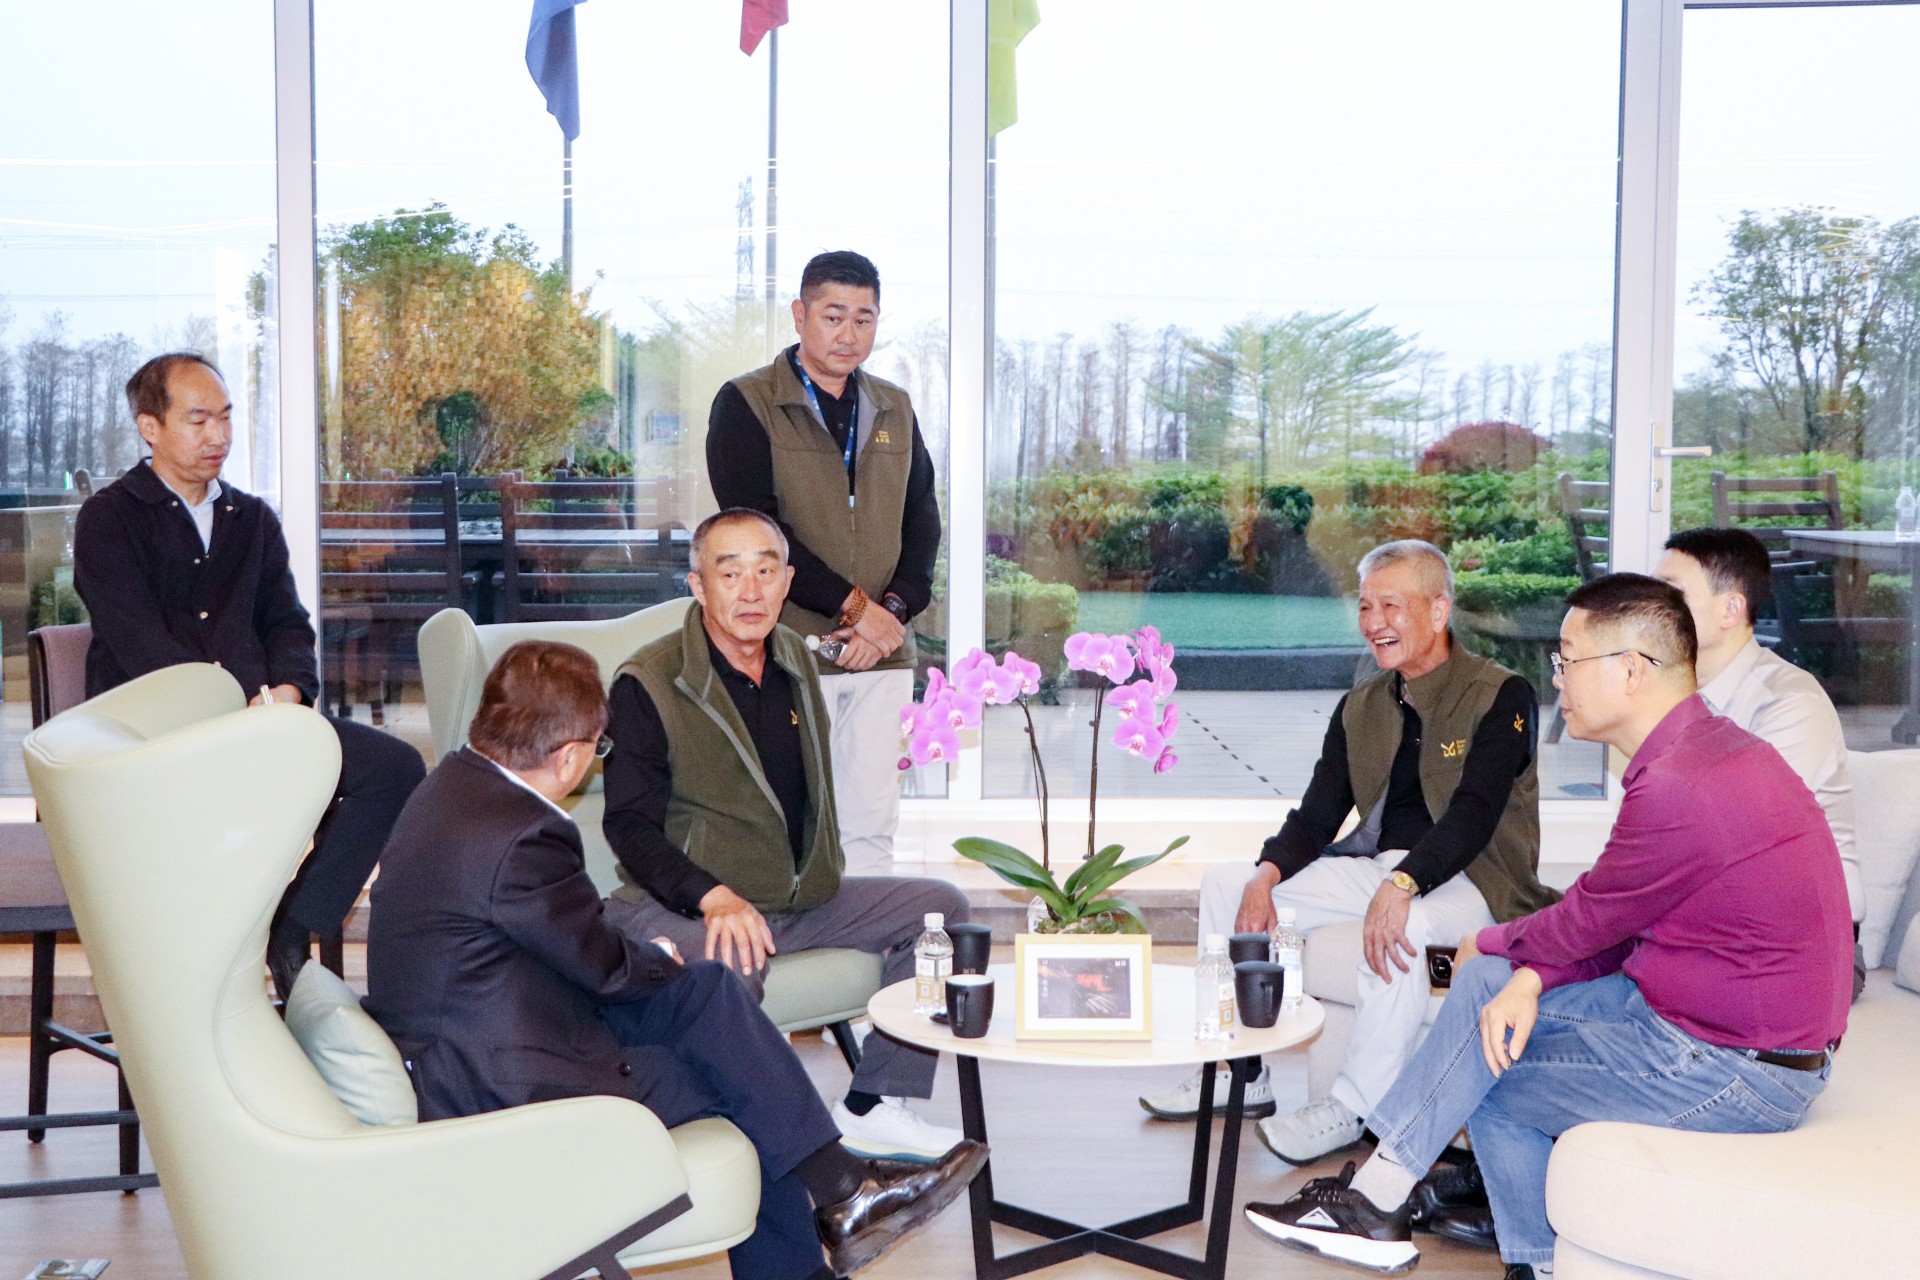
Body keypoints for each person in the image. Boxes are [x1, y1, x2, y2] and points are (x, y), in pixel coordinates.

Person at [1243, 573, 1852, 1280]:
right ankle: (1404, 1211)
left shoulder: (1682, 785)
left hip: (1738, 1065)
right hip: (1700, 1020)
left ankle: (1440, 1227)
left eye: (1569, 659)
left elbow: (1594, 915)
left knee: (1490, 1064)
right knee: (1491, 995)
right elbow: (1617, 923)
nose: (1556, 679)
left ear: (1631, 670)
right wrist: (1523, 974)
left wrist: (1487, 941)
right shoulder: (1704, 750)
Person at [364, 641, 985, 1280]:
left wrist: (655, 961)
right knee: (738, 1082)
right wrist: (656, 956)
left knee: (708, 989)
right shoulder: (522, 833)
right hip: (497, 1078)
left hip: (492, 1024)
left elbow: (560, 939)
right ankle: (838, 1204)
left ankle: (845, 1193)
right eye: (597, 749)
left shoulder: (452, 787)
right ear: (570, 755)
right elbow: (603, 968)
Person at [1140, 540, 1555, 1166]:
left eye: (1391, 605)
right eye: (1365, 606)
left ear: (1438, 611)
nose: (1373, 622)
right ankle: (1239, 1072)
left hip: (1474, 879)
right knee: (1227, 884)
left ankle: (1355, 1107)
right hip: (1380, 870)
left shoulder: (1500, 694)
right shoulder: (1362, 706)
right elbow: (1317, 814)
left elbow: (1474, 813)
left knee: (1402, 929)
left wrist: (1405, 883)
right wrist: (1266, 875)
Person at [601, 507, 969, 1160]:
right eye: (730, 573)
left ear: (788, 581)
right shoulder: (649, 682)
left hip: (794, 898)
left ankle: (875, 1103)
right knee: (731, 963)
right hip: (684, 904)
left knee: (942, 909)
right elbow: (628, 826)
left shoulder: (795, 656)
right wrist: (714, 896)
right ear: (698, 586)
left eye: (766, 572)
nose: (750, 591)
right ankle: (752, 1143)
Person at [73, 351, 424, 999]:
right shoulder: (110, 518)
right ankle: (203, 975)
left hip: (258, 726)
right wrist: (234, 716)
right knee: (232, 801)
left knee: (394, 769)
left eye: (226, 418)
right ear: (150, 427)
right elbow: (139, 644)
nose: (219, 436)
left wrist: (289, 692)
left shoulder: (252, 519)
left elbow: (287, 623)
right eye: (199, 420)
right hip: (156, 743)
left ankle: (293, 927)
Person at [704, 250, 940, 875]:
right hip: (785, 652)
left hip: (882, 652)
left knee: (871, 827)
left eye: (864, 319)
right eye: (833, 316)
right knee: (786, 821)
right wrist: (857, 610)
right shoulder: (747, 402)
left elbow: (922, 523)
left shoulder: (894, 406)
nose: (848, 334)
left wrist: (888, 615)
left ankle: (864, 939)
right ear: (800, 314)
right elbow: (759, 535)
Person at [1657, 526, 1866, 998]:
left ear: (1731, 609)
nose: (1654, 609)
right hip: (1708, 932)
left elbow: (1734, 842)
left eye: (1672, 594)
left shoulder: (1789, 703)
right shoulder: (1673, 698)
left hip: (1803, 949)